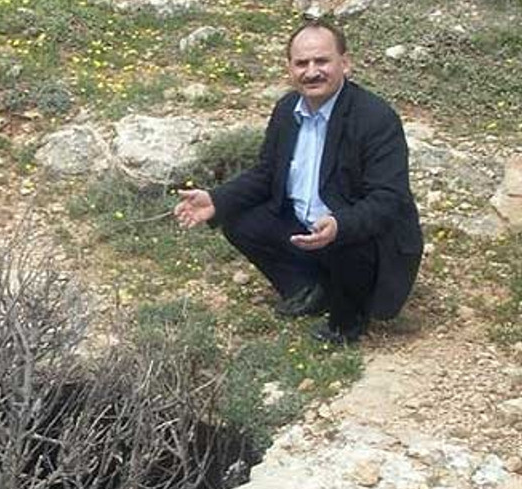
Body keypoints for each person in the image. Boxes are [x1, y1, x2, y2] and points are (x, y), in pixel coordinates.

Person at [173, 18, 422, 344]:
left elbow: (388, 200)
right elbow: (266, 173)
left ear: (345, 63)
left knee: (350, 238)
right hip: (308, 228)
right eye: (301, 63)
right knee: (238, 218)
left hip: (358, 237)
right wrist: (218, 199)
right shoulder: (287, 108)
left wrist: (339, 224)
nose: (312, 71)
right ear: (289, 68)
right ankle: (311, 289)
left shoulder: (375, 118)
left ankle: (348, 323)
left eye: (322, 61)